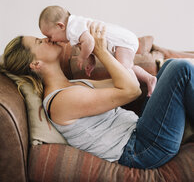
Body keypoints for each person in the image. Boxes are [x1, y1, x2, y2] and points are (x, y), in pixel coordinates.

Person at [1, 24, 194, 169]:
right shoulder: (60, 101)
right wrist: (100, 51)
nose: (47, 39)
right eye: (38, 41)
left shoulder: (75, 85)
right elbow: (132, 90)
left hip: (140, 130)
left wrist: (102, 47)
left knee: (170, 66)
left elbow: (125, 79)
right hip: (141, 149)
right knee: (180, 69)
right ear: (35, 64)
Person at [39, 5, 157, 96]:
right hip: (124, 39)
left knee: (123, 70)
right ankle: (149, 78)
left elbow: (89, 43)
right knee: (127, 67)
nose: (51, 40)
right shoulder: (75, 28)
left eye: (50, 36)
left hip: (122, 41)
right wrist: (91, 61)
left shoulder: (73, 28)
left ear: (60, 26)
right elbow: (87, 44)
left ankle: (134, 87)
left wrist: (82, 57)